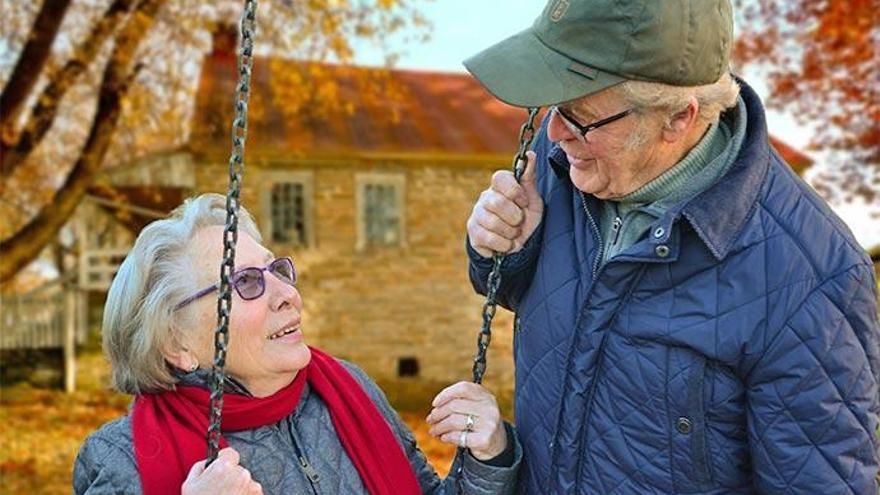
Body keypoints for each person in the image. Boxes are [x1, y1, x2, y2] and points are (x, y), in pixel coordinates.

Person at [463, 0, 880, 493]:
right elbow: (527, 297)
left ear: (677, 120)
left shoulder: (810, 276)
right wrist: (501, 250)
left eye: (580, 117)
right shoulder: (562, 160)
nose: (554, 133)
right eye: (554, 106)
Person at [74, 193, 521, 494]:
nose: (287, 294)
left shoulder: (348, 389)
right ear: (177, 343)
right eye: (246, 283)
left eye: (277, 271)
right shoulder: (120, 460)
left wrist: (487, 456)